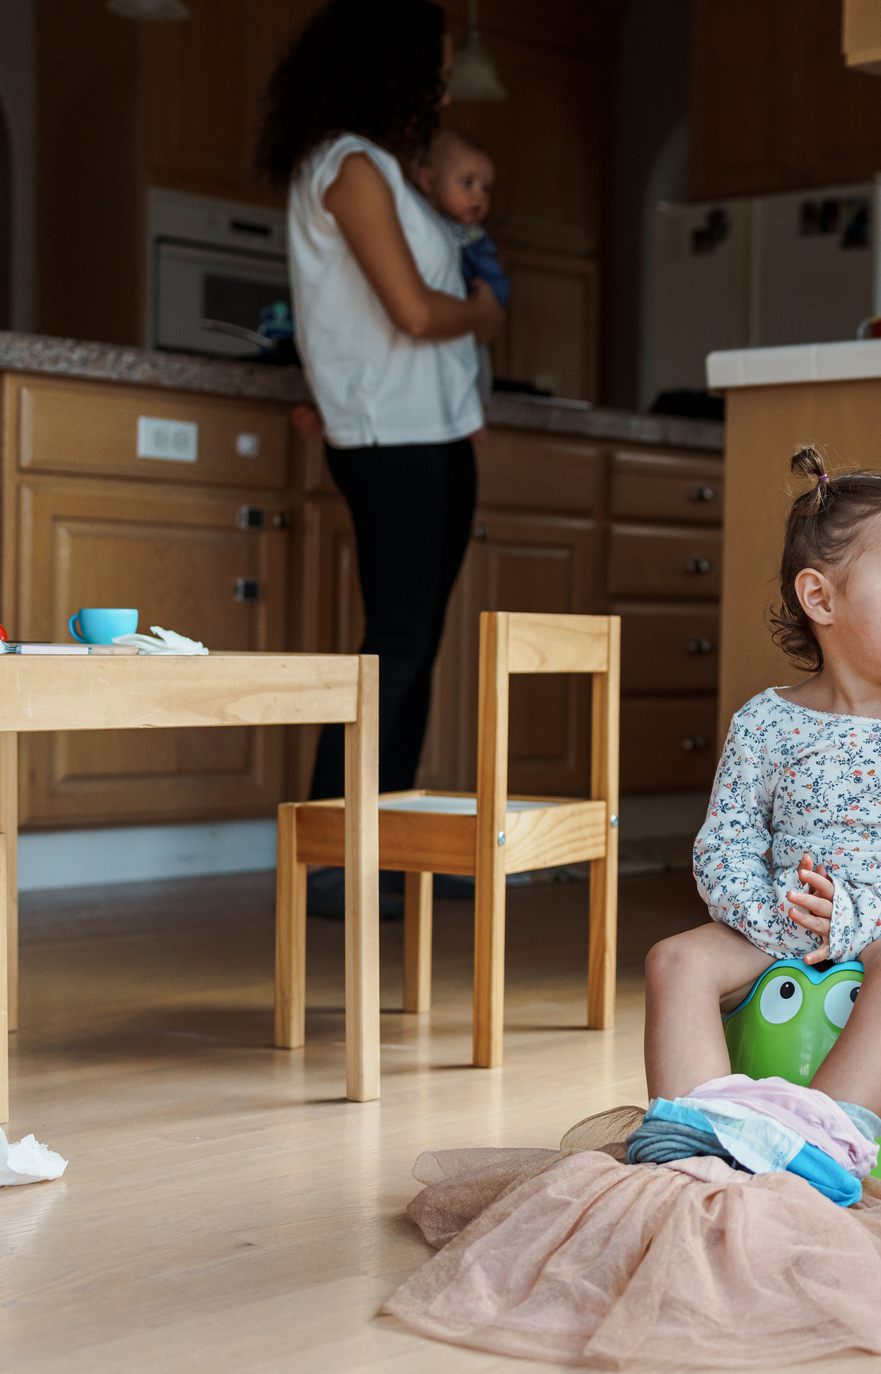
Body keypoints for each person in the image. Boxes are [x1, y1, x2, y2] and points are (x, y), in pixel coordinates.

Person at [630, 447, 881, 1201]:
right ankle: (706, 1138)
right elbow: (728, 845)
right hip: (787, 925)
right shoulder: (770, 722)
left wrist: (862, 920)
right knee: (675, 960)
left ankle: (820, 1146)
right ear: (821, 597)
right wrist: (776, 920)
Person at [259, 0, 503, 915]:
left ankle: (386, 845)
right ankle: (333, 858)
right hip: (389, 438)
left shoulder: (384, 170)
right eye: (431, 69)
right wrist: (483, 315)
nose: (439, 87)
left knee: (415, 644)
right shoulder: (349, 168)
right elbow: (410, 312)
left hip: (432, 432)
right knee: (393, 645)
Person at [413, 128, 509, 404]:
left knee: (470, 373)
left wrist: (489, 294)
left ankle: (473, 413)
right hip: (427, 324)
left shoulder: (472, 237)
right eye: (467, 183)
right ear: (428, 180)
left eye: (486, 189)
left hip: (464, 321)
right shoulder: (414, 223)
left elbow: (492, 279)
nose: (478, 196)